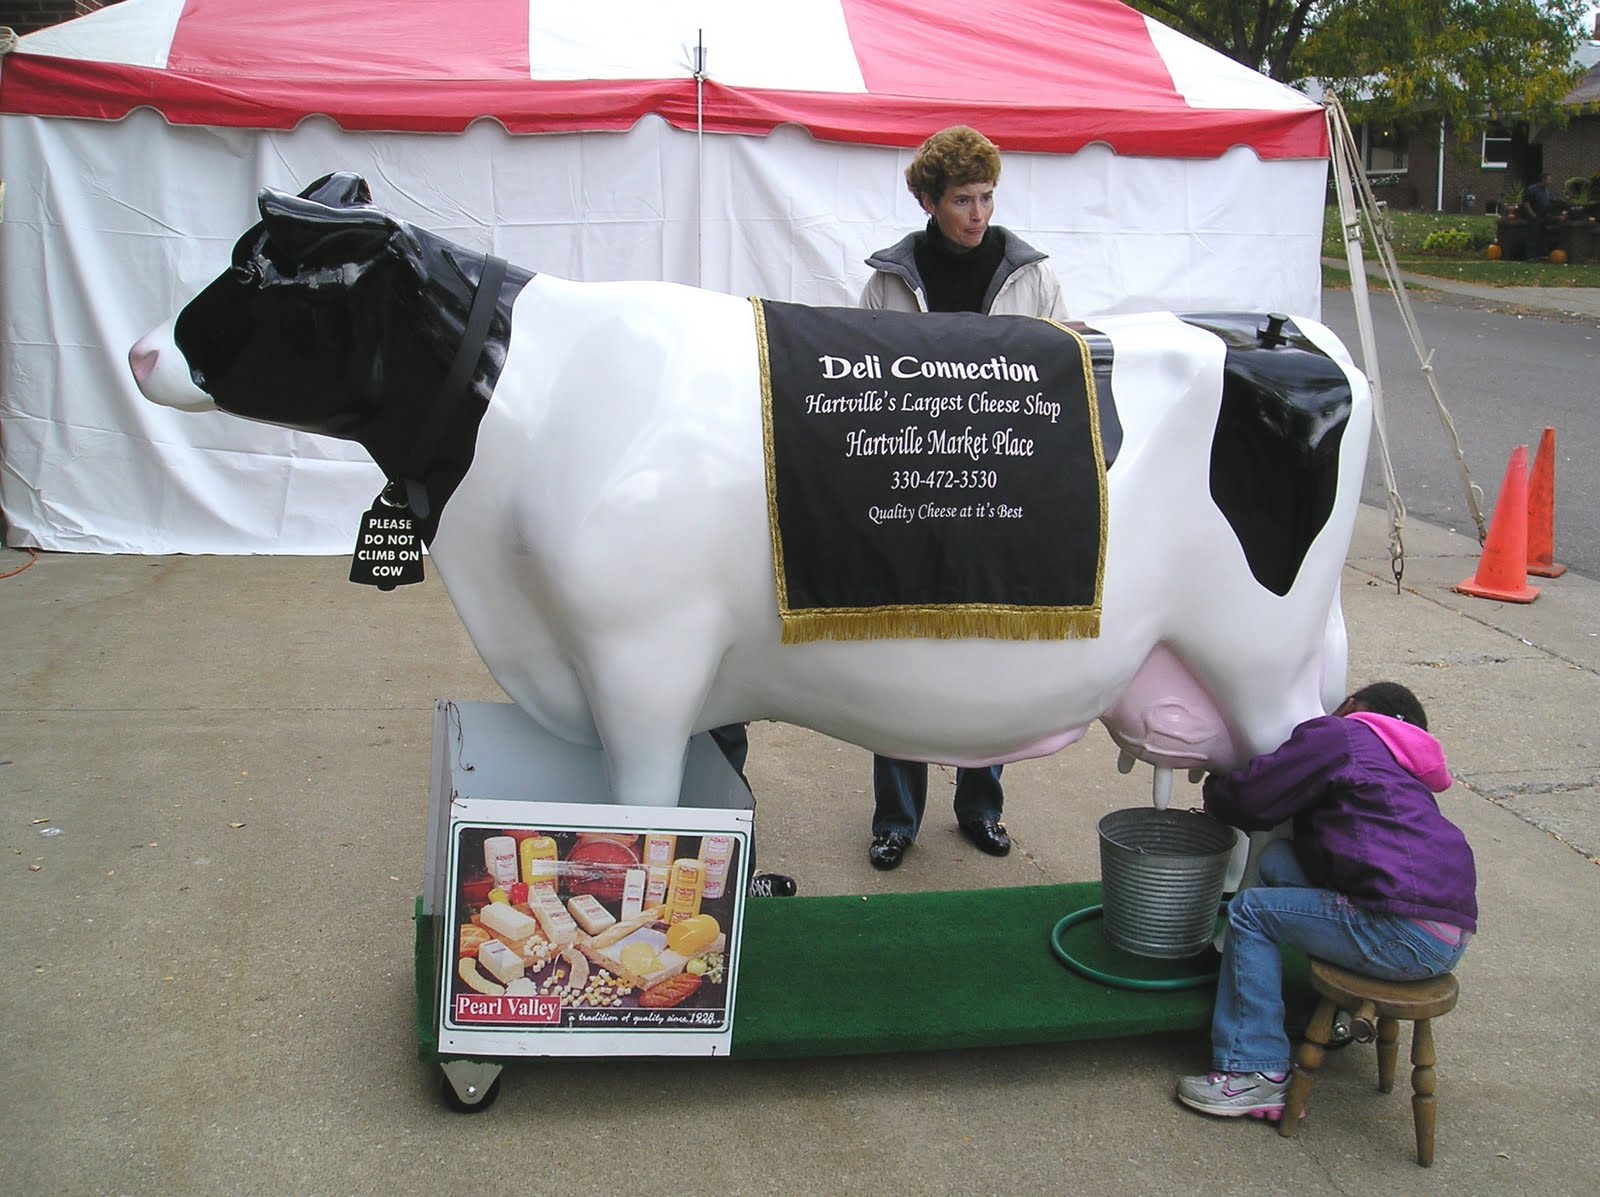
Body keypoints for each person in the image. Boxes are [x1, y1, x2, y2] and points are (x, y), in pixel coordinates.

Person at [857, 125, 1069, 871]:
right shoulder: (888, 280)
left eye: (985, 198)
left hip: (1002, 488)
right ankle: (896, 818)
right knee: (902, 654)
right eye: (960, 200)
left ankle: (981, 805)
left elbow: (1060, 380)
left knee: (993, 652)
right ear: (928, 199)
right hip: (914, 488)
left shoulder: (1032, 277)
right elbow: (864, 387)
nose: (976, 214)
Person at [1175, 681, 1477, 1121]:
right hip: (1447, 935)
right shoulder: (1403, 766)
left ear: (1352, 705)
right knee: (1278, 860)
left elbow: (1254, 800)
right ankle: (1265, 985)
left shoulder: (1345, 735)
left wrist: (1221, 780)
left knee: (1252, 913)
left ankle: (1255, 1071)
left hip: (1398, 929)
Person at [1524, 173, 1554, 261]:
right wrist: (1532, 214)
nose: (1550, 182)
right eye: (1549, 180)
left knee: (1542, 237)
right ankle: (1531, 257)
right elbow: (1526, 203)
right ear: (1543, 179)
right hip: (1534, 216)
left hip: (1544, 216)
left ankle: (1540, 256)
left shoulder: (1547, 191)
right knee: (1533, 236)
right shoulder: (1532, 189)